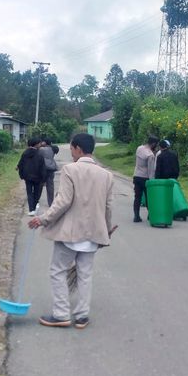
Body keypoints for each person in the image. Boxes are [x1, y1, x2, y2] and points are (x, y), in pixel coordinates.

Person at [28, 133, 114, 329]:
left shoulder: (70, 170)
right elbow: (108, 207)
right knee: (85, 274)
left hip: (70, 234)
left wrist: (43, 219)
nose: (72, 153)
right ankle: (82, 316)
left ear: (77, 148)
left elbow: (63, 201)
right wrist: (107, 231)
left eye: (72, 149)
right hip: (93, 235)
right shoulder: (106, 175)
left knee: (57, 271)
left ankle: (61, 314)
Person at [17, 137, 47, 216]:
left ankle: (31, 209)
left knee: (29, 193)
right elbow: (42, 167)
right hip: (37, 177)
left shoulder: (25, 153)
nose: (40, 145)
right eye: (39, 143)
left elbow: (21, 164)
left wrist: (21, 174)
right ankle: (34, 206)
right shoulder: (39, 154)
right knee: (37, 192)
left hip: (27, 176)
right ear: (36, 144)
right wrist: (44, 179)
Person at [133, 135, 159, 222]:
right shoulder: (150, 155)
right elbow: (151, 170)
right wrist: (152, 182)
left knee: (137, 197)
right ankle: (151, 215)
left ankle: (136, 216)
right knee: (149, 197)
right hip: (145, 178)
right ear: (153, 144)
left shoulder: (139, 148)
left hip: (136, 176)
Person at [38, 138, 58, 207]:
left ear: (45, 142)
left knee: (40, 185)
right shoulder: (53, 149)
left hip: (43, 168)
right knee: (50, 186)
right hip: (51, 168)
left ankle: (37, 200)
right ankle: (51, 202)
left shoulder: (42, 149)